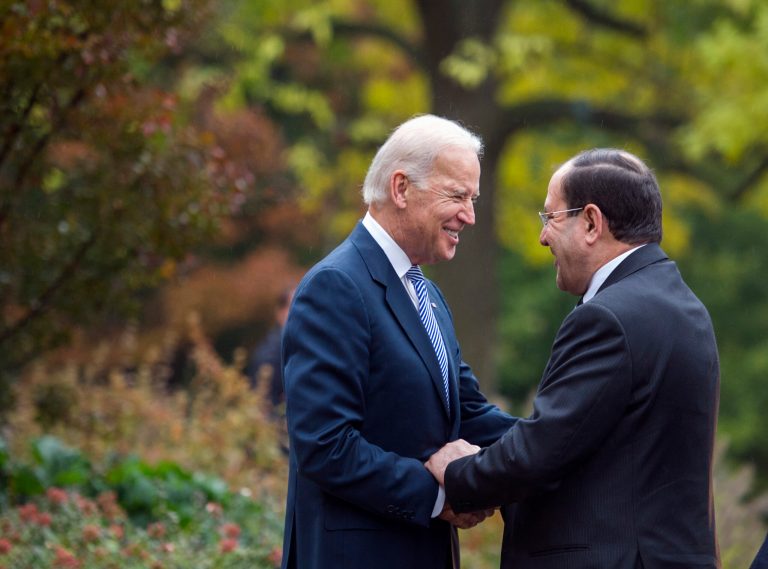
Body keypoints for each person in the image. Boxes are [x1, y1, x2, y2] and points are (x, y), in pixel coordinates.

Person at [426, 148, 721, 568]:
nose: (542, 237)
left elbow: (540, 452)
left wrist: (457, 473)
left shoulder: (609, 317)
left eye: (549, 218)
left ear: (590, 222)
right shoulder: (681, 305)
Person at [280, 114, 516, 569]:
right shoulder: (336, 286)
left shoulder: (426, 293)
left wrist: (555, 447)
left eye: (473, 198)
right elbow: (324, 445)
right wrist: (436, 496)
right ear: (401, 188)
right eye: (458, 195)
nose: (469, 215)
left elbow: (467, 412)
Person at [246, 286, 294, 417]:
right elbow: (263, 409)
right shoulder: (270, 354)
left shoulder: (297, 346)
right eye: (294, 306)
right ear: (280, 312)